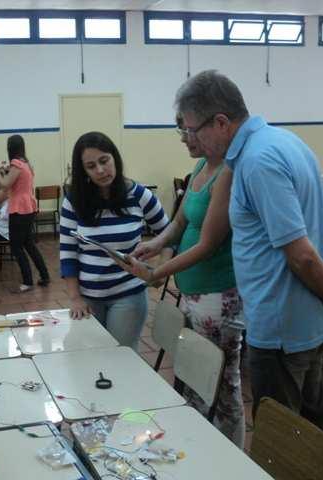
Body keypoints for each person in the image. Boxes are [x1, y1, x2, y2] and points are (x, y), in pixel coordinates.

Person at [153, 69, 323, 433]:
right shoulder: (286, 141)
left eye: (192, 130)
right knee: (311, 429)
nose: (190, 139)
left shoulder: (257, 162)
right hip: (305, 321)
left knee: (280, 438)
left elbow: (300, 254)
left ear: (220, 122)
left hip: (281, 327)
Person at [125, 113, 245, 447]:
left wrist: (156, 273)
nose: (183, 138)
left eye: (188, 130)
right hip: (193, 292)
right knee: (194, 375)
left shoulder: (228, 172)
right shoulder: (198, 170)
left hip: (218, 295)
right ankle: (199, 446)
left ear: (214, 126)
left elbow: (208, 244)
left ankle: (232, 458)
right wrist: (155, 243)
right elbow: (178, 224)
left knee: (222, 384)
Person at [59, 131, 169, 350]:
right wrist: (75, 297)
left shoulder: (139, 195)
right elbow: (68, 252)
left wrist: (160, 270)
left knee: (122, 358)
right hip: (87, 298)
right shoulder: (74, 201)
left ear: (114, 158)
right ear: (84, 172)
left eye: (104, 160)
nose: (100, 170)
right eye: (91, 166)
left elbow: (169, 234)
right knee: (90, 358)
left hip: (128, 295)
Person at [0, 134, 50, 292]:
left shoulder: (16, 163)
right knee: (28, 244)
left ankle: (27, 281)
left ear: (10, 148)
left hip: (19, 208)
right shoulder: (25, 164)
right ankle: (44, 275)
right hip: (29, 207)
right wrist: (5, 170)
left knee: (16, 246)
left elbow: (5, 184)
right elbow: (15, 178)